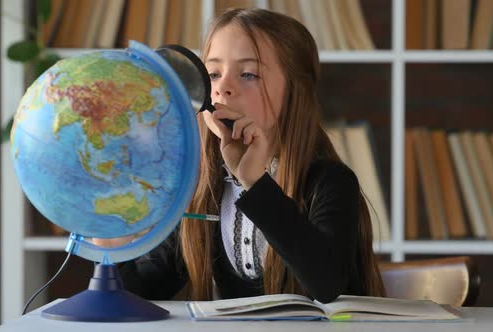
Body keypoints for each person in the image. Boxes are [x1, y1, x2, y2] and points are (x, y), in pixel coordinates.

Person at [97, 7, 385, 303]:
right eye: (213, 74)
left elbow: (326, 284)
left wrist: (255, 181)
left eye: (248, 74)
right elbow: (136, 293)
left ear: (295, 90)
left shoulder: (331, 182)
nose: (223, 88)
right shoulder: (202, 189)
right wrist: (109, 240)